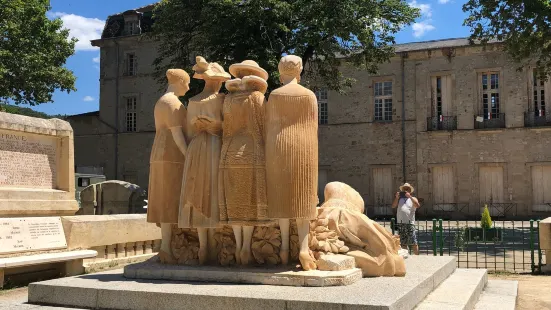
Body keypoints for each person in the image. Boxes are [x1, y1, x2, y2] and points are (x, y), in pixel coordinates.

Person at [178, 56, 231, 264]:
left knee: (199, 192)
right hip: (214, 145)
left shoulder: (192, 101)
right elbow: (230, 126)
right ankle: (214, 245)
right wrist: (216, 127)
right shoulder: (223, 100)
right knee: (213, 191)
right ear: (217, 80)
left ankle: (204, 244)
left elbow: (189, 131)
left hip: (196, 146)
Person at [147, 68, 190, 264]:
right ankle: (166, 247)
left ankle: (167, 245)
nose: (188, 87)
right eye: (187, 82)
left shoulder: (160, 101)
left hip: (161, 151)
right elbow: (177, 136)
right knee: (168, 199)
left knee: (166, 198)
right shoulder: (172, 102)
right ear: (180, 81)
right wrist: (190, 155)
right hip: (170, 154)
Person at [391, 182, 420, 255]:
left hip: (410, 224)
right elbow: (393, 206)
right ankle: (406, 257)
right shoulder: (399, 199)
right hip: (401, 224)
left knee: (414, 243)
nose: (406, 190)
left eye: (407, 189)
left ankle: (417, 258)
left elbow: (417, 205)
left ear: (410, 191)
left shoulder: (413, 198)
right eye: (404, 189)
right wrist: (396, 198)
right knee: (403, 243)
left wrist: (410, 197)